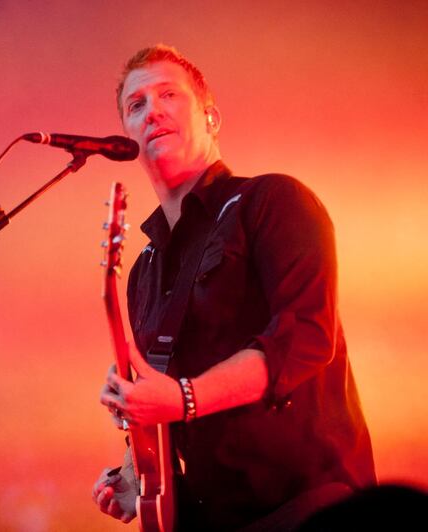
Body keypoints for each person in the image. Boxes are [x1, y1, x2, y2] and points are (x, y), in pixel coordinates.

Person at [92, 44, 376, 531]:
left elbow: (306, 337)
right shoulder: (146, 268)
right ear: (128, 136)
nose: (152, 110)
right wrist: (136, 473)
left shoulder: (272, 201)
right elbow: (165, 408)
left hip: (310, 508)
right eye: (135, 105)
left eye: (168, 95)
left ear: (212, 117)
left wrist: (184, 396)